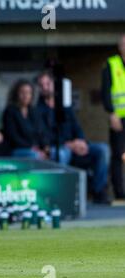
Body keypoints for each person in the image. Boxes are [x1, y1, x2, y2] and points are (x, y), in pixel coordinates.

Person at [37, 71, 110, 204]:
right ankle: (62, 193)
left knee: (102, 149)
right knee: (61, 154)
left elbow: (76, 126)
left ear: (54, 84)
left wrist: (81, 141)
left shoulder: (65, 105)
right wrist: (68, 144)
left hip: (75, 145)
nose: (45, 87)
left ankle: (99, 192)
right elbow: (44, 135)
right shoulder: (38, 110)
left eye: (48, 83)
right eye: (42, 85)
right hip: (60, 147)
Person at [102, 34, 125, 200]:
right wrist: (111, 113)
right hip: (118, 118)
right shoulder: (111, 64)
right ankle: (120, 193)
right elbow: (106, 92)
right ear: (119, 46)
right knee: (118, 155)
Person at [3, 79, 49, 159]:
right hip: (17, 150)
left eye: (28, 93)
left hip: (35, 149)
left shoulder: (34, 111)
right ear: (16, 94)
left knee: (55, 154)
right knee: (35, 155)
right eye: (22, 92)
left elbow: (41, 132)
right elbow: (12, 136)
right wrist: (31, 147)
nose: (25, 95)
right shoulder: (10, 111)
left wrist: (45, 147)